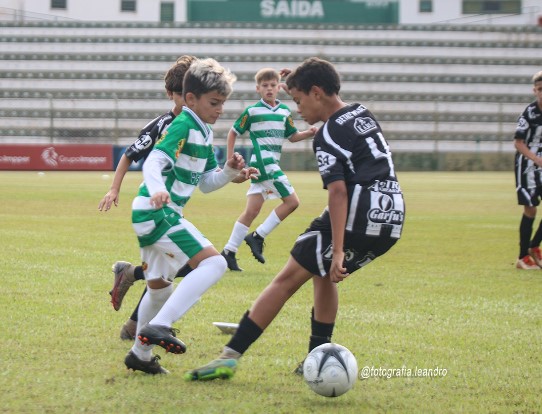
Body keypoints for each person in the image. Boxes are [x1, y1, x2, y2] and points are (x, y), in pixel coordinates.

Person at [185, 57, 406, 381]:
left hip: (355, 213)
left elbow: (338, 193)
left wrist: (340, 250)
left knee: (287, 278)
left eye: (298, 100)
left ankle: (229, 357)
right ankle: (316, 355)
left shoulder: (327, 136)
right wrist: (292, 83)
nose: (297, 109)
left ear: (316, 93)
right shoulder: (360, 111)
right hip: (390, 215)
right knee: (320, 272)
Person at [123, 58, 256, 375]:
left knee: (159, 290)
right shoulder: (183, 123)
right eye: (214, 102)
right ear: (191, 99)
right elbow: (153, 161)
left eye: (223, 103)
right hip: (158, 211)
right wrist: (156, 189)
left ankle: (139, 355)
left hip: (151, 213)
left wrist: (229, 172)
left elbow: (208, 183)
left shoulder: (204, 131)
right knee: (215, 262)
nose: (220, 109)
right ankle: (162, 326)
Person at [98, 56, 197, 341]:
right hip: (157, 206)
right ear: (171, 94)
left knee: (167, 270)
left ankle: (133, 318)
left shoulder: (196, 125)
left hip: (175, 206)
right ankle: (145, 323)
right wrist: (114, 189)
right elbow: (129, 154)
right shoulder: (162, 124)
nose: (188, 102)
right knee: (194, 263)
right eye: (182, 96)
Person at [221, 67, 317, 271]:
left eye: (273, 85)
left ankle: (228, 251)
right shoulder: (252, 111)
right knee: (292, 202)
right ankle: (258, 236)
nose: (269, 89)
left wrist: (308, 132)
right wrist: (231, 161)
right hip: (265, 164)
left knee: (251, 211)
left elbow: (291, 136)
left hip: (268, 165)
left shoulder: (284, 112)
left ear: (279, 87)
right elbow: (233, 132)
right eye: (265, 86)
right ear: (258, 89)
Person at [514, 70, 542, 270]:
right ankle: (523, 257)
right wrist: (536, 159)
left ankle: (534, 246)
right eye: (540, 89)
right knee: (530, 209)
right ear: (534, 91)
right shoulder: (529, 113)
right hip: (526, 166)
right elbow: (518, 143)